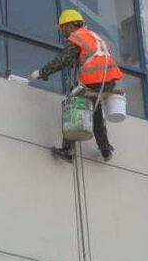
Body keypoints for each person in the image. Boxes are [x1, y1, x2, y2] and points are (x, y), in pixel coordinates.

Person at [30, 9, 124, 162]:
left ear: (69, 26)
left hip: (95, 78)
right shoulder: (93, 36)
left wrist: (43, 72)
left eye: (63, 28)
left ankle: (67, 150)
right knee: (95, 110)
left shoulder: (77, 38)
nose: (63, 33)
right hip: (109, 80)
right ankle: (105, 149)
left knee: (72, 104)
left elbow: (63, 60)